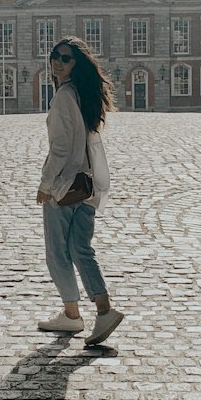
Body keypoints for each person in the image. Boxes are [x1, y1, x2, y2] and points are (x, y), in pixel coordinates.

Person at [36, 37, 124, 347]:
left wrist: (45, 186)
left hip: (66, 187)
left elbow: (60, 149)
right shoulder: (85, 94)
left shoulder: (63, 97)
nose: (57, 62)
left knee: (57, 252)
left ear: (76, 64)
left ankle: (72, 314)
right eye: (55, 56)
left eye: (66, 58)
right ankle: (103, 310)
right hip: (88, 187)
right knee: (81, 249)